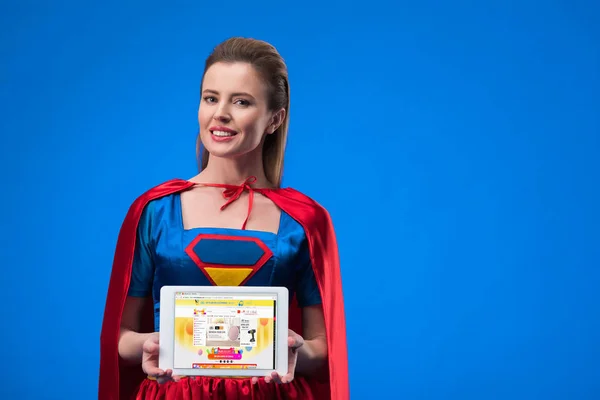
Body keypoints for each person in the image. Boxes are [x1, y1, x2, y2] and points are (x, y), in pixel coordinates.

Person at [99, 37, 349, 400]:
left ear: (274, 119)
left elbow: (323, 347)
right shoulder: (156, 211)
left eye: (242, 101)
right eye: (211, 98)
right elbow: (120, 338)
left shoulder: (304, 220)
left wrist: (292, 348)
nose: (220, 114)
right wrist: (153, 345)